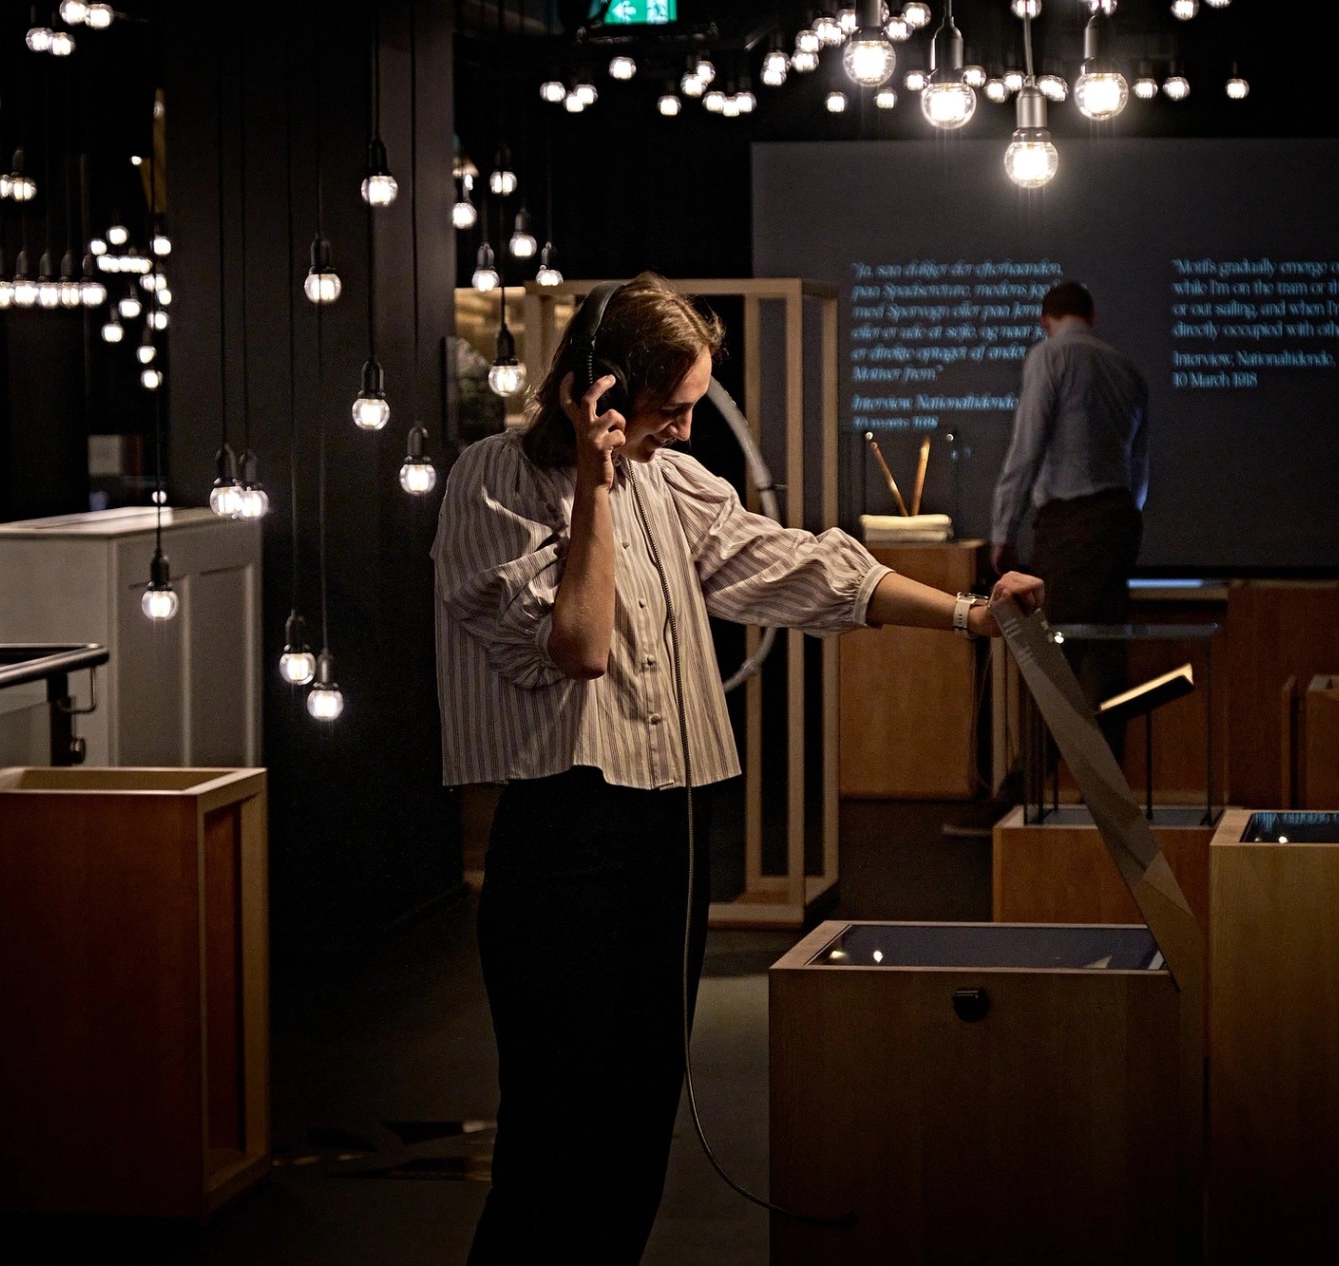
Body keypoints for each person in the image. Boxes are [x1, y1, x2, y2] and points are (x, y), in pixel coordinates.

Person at [431, 273, 1044, 1265]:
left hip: (665, 833)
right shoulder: (492, 481)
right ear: (597, 390)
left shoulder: (672, 482)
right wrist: (590, 483)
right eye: (668, 410)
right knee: (556, 1139)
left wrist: (972, 616)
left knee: (637, 1128)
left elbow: (803, 567)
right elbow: (578, 645)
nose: (680, 431)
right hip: (561, 839)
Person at [988, 280, 1148, 748]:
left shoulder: (1049, 355)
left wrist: (1003, 530)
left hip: (1069, 524)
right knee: (1106, 657)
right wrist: (1122, 519)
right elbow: (1139, 465)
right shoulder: (1127, 369)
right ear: (1092, 316)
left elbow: (1027, 448)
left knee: (1053, 657)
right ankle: (1110, 786)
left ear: (1045, 319)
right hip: (1119, 522)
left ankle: (1034, 788)